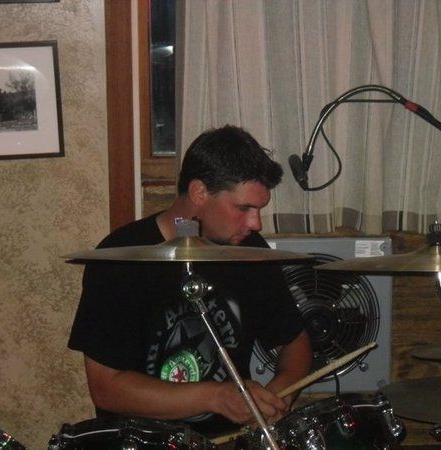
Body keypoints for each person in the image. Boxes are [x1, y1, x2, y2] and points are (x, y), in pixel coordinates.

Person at [68, 125, 312, 438]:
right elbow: (106, 389)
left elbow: (296, 342)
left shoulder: (250, 252)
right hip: (143, 440)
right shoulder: (121, 260)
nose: (256, 223)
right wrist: (216, 397)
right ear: (199, 192)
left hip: (231, 440)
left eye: (259, 209)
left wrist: (278, 396)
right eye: (244, 208)